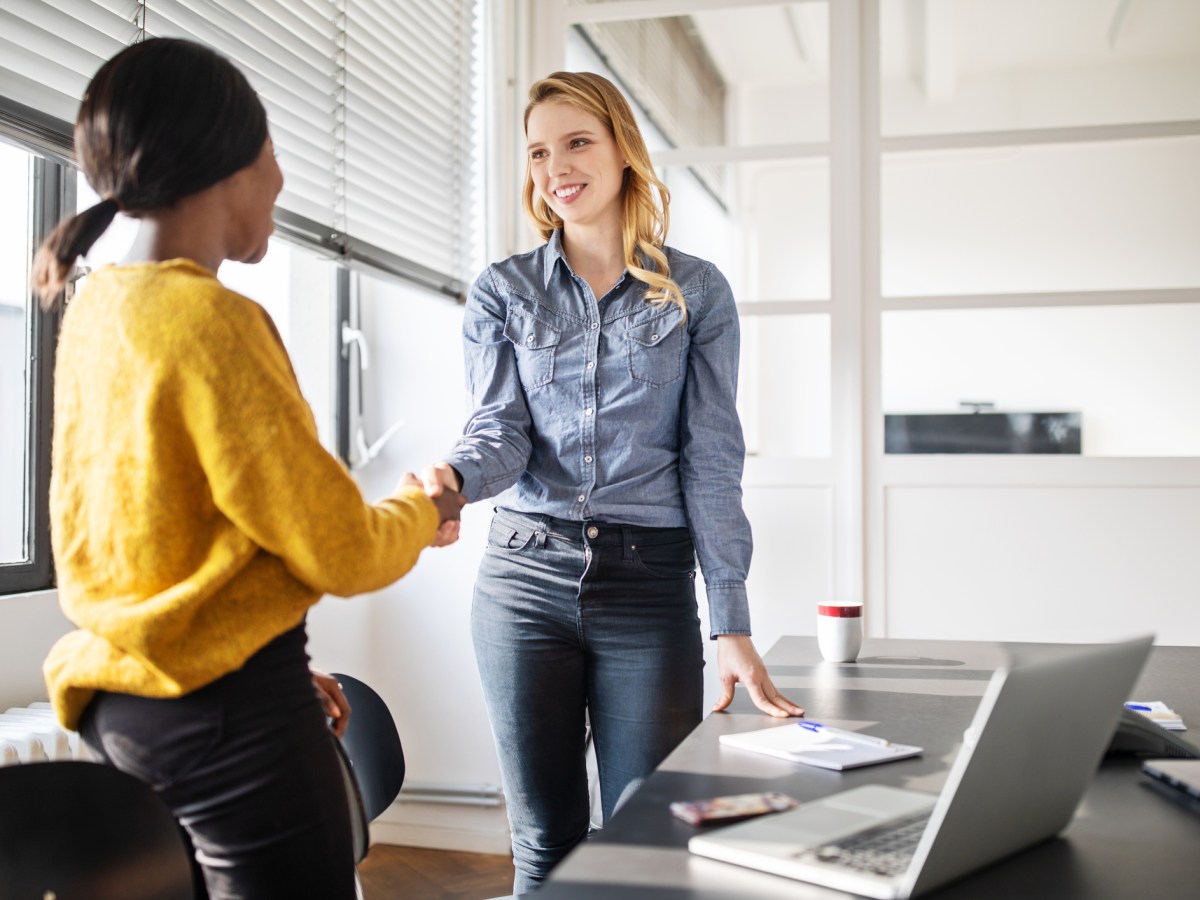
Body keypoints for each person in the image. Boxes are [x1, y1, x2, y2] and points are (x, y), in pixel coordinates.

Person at [33, 38, 464, 900]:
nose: (279, 183)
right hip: (227, 722)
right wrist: (424, 508)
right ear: (222, 162)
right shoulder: (213, 320)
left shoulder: (96, 308)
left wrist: (252, 649)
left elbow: (150, 537)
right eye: (272, 155)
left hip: (131, 709)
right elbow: (341, 548)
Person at [422, 71, 805, 892]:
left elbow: (711, 456)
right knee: (543, 844)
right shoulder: (503, 291)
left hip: (648, 587)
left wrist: (729, 619)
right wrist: (452, 479)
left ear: (623, 150)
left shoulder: (696, 290)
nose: (556, 167)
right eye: (538, 151)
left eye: (577, 142)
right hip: (524, 583)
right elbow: (502, 435)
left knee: (649, 845)